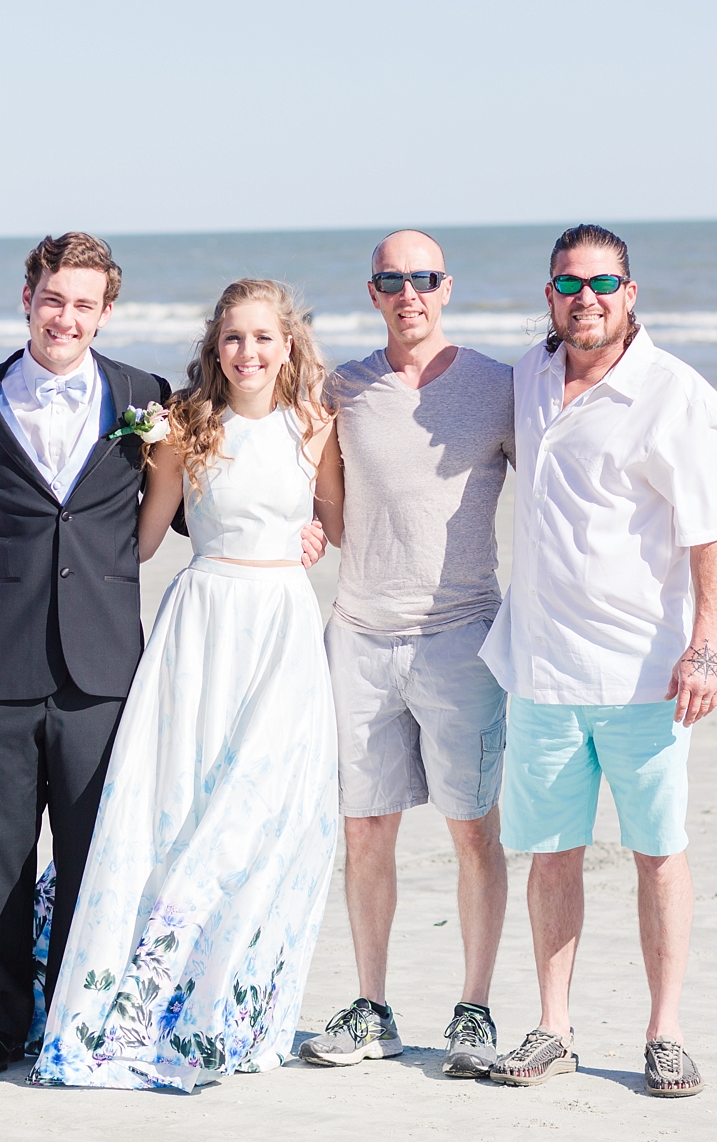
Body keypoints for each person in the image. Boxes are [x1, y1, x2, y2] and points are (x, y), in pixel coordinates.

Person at [29, 279, 343, 1091]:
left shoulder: (315, 424)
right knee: (178, 806)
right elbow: (140, 540)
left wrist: (307, 534)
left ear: (288, 343)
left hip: (281, 627)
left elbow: (339, 525)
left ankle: (226, 1000)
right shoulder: (187, 430)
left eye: (264, 337)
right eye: (234, 338)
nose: (249, 352)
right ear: (214, 346)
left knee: (258, 810)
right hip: (200, 626)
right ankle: (143, 1001)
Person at [480, 225, 717, 1097]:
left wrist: (707, 649)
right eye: (568, 284)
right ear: (549, 296)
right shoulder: (524, 378)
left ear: (631, 294)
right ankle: (553, 1028)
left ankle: (666, 1032)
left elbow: (711, 534)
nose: (585, 298)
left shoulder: (674, 394)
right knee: (551, 852)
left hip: (644, 676)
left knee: (657, 851)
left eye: (603, 284)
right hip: (540, 670)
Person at [0, 233, 175, 1076]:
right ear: (27, 296)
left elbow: (193, 506)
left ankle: (75, 1016)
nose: (64, 316)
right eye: (52, 298)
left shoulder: (148, 398)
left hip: (103, 671)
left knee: (92, 858)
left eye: (84, 303)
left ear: (106, 313)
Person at [300, 230, 516, 1078]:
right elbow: (316, 489)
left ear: (447, 287)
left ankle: (474, 1010)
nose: (409, 292)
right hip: (358, 633)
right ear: (374, 290)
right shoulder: (341, 387)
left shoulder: (499, 386)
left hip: (462, 636)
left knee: (473, 831)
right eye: (393, 279)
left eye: (423, 278)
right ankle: (372, 1007)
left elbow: (563, 482)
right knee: (366, 832)